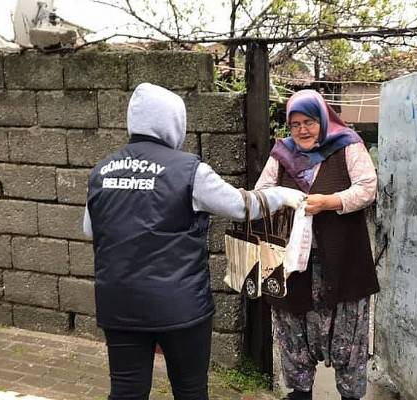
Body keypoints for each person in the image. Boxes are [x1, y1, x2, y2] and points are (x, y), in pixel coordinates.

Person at [82, 83, 304, 400]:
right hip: (180, 306)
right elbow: (242, 207)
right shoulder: (189, 171)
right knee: (189, 390)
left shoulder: (101, 171)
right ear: (174, 122)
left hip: (119, 303)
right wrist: (282, 195)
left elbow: (91, 229)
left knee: (127, 390)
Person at [255, 89, 379, 400]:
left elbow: (367, 188)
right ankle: (300, 391)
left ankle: (350, 394)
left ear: (322, 120)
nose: (302, 130)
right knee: (293, 324)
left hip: (343, 257)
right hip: (295, 262)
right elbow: (262, 191)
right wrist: (286, 199)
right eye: (295, 124)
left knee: (348, 327)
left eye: (309, 122)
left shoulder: (347, 145)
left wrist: (331, 202)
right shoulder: (282, 152)